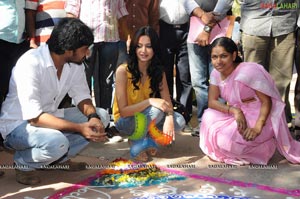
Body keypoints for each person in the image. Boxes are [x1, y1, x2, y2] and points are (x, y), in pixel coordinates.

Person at [0, 18, 110, 185]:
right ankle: (23, 163)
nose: (87, 53)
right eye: (84, 49)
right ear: (68, 50)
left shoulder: (75, 64)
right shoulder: (30, 63)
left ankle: (59, 159)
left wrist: (93, 116)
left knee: (102, 117)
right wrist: (80, 128)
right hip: (18, 126)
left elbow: (82, 96)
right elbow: (34, 117)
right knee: (57, 143)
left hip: (49, 117)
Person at [200, 37, 300, 165]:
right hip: (238, 112)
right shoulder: (215, 73)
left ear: (234, 55)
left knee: (228, 142)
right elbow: (212, 102)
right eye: (214, 57)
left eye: (223, 56)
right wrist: (234, 110)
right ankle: (255, 148)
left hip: (260, 115)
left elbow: (266, 102)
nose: (218, 61)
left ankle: (263, 147)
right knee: (208, 116)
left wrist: (257, 127)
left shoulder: (248, 71)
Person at [113, 26, 185, 162]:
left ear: (155, 49)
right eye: (139, 46)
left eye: (148, 46)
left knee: (179, 121)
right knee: (156, 111)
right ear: (134, 48)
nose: (143, 51)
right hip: (126, 121)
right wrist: (150, 101)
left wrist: (169, 118)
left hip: (147, 115)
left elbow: (167, 102)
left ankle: (148, 139)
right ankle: (136, 142)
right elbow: (123, 111)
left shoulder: (158, 71)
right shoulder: (122, 71)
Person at [238, 0, 298, 126]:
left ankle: (277, 129)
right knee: (251, 81)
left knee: (280, 84)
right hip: (254, 24)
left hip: (285, 24)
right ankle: (252, 125)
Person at [65, 0, 128, 113]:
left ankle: (105, 118)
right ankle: (85, 116)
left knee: (107, 81)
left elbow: (121, 11)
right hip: (86, 40)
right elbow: (72, 11)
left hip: (111, 37)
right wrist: (74, 39)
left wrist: (128, 37)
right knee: (83, 79)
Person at [184, 0, 232, 136]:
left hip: (219, 34)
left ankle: (219, 122)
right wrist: (202, 15)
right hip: (194, 34)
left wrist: (208, 26)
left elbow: (226, 3)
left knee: (220, 82)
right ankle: (204, 122)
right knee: (198, 83)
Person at [159, 0, 193, 128]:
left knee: (185, 75)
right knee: (165, 75)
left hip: (187, 28)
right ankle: (166, 114)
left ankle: (184, 116)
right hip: (164, 28)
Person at [118, 0, 160, 65]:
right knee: (121, 70)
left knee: (141, 71)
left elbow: (154, 18)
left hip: (142, 42)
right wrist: (127, 37)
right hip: (121, 40)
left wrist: (153, 41)